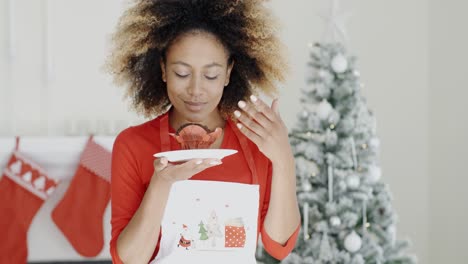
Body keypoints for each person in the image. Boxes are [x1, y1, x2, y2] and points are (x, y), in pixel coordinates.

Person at [105, 0, 301, 263]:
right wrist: (161, 184)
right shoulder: (133, 144)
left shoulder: (257, 141)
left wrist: (283, 160)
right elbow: (127, 260)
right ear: (163, 69)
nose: (196, 90)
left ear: (229, 73)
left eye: (211, 76)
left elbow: (278, 246)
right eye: (182, 73)